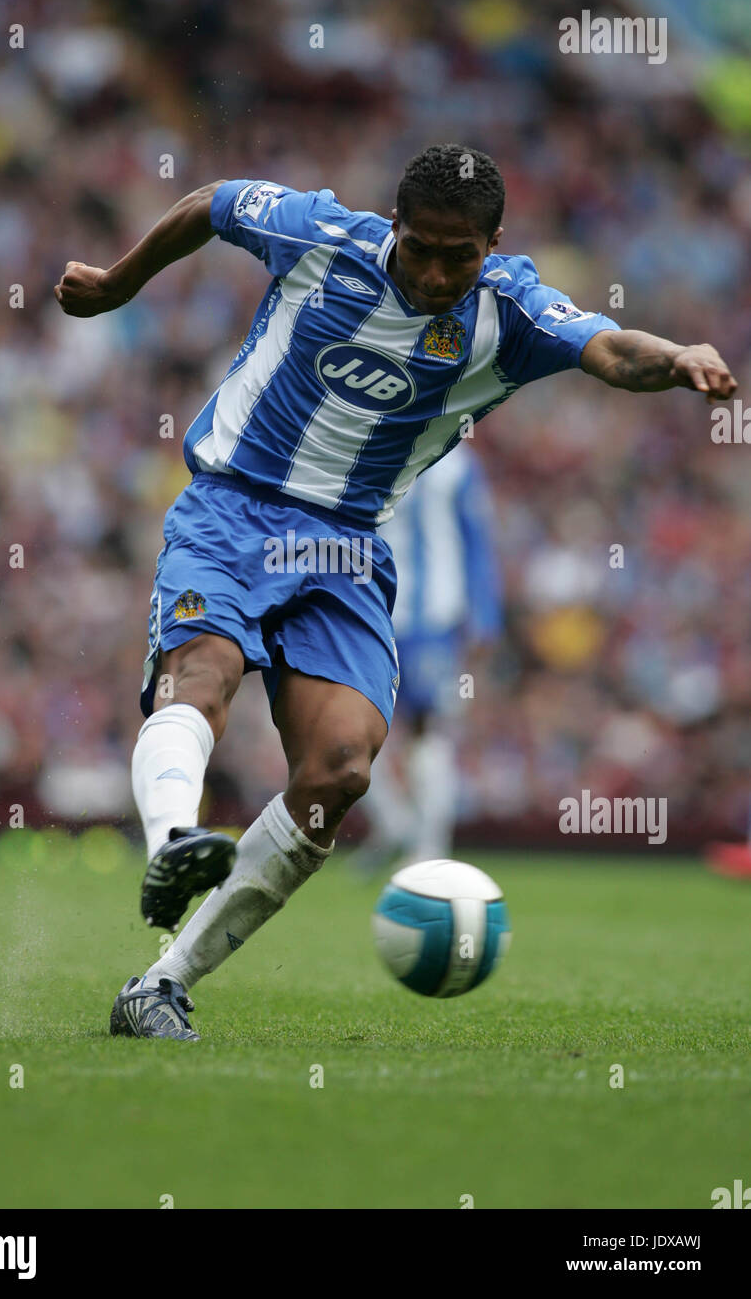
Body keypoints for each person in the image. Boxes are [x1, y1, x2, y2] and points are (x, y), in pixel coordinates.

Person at [54, 143, 737, 1041]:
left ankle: (162, 984)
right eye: (422, 247)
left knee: (340, 770)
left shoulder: (515, 311)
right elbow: (214, 202)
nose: (439, 270)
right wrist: (119, 283)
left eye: (462, 254)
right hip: (233, 508)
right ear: (397, 226)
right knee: (204, 671)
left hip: (347, 550)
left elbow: (610, 348)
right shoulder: (323, 237)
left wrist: (679, 353)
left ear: (495, 243)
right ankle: (175, 841)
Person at [358, 444, 502, 868]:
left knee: (428, 729)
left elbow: (477, 537)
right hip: (371, 613)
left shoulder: (456, 464)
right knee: (354, 729)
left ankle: (430, 848)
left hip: (432, 621)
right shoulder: (370, 451)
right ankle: (393, 824)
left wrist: (485, 613)